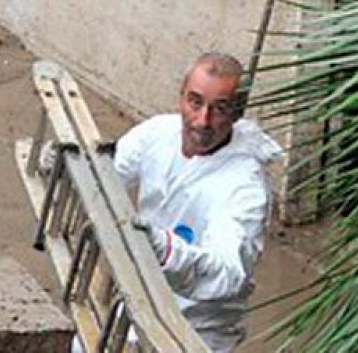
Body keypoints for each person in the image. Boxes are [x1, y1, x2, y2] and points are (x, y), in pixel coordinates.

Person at [113, 53, 282, 353]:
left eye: (220, 109)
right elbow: (109, 171)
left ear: (238, 112)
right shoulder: (158, 133)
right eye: (195, 102)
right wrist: (69, 164)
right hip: (141, 297)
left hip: (197, 330)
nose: (203, 121)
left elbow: (228, 274)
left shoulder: (245, 188)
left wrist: (165, 251)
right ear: (180, 98)